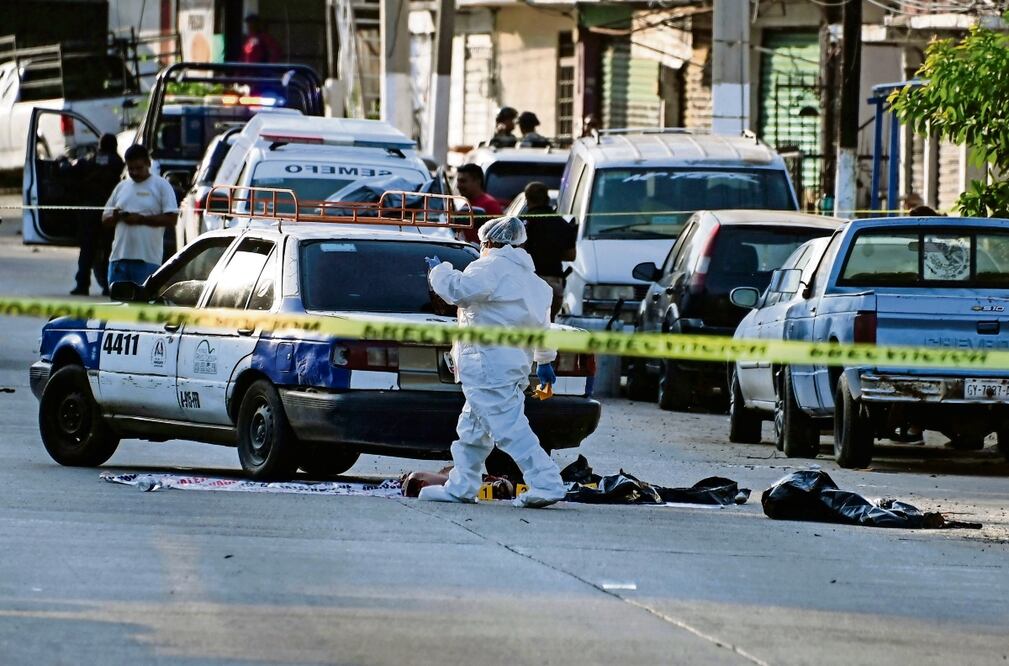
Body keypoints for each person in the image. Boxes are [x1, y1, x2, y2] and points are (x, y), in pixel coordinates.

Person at [419, 216, 567, 508]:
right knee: (472, 431)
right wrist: (545, 361)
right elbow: (542, 328)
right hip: (509, 365)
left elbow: (458, 292)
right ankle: (461, 486)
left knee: (509, 429)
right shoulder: (534, 282)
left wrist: (439, 271)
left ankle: (547, 483)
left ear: (489, 241)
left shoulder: (490, 267)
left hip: (488, 365)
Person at [102, 144, 178, 288]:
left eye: (139, 168)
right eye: (131, 169)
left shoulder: (161, 186)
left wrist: (141, 219)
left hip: (147, 261)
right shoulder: (121, 187)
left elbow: (171, 219)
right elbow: (105, 219)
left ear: (148, 163)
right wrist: (117, 217)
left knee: (143, 307)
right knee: (117, 308)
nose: (134, 172)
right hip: (118, 260)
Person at [70, 134, 124, 296]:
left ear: (100, 146)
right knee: (109, 250)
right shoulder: (118, 162)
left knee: (87, 249)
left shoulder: (91, 160)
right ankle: (109, 285)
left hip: (89, 211)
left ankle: (82, 285)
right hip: (108, 212)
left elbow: (75, 170)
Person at [521, 182, 576, 319]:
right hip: (554, 281)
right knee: (548, 322)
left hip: (528, 280)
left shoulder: (523, 223)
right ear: (546, 198)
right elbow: (571, 255)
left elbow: (517, 251)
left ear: (527, 198)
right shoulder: (562, 223)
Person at [455, 163, 503, 243]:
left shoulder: (490, 205)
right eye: (458, 181)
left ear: (477, 181)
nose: (458, 186)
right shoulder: (466, 203)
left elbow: (498, 238)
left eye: (463, 181)